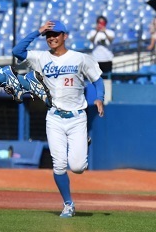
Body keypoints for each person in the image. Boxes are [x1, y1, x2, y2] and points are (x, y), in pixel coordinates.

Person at [12, 20, 105, 218]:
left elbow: (97, 80)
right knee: (59, 165)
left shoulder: (80, 58)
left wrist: (99, 98)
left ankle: (83, 144)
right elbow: (17, 51)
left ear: (65, 36)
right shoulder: (41, 57)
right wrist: (38, 31)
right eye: (48, 35)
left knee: (78, 167)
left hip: (77, 118)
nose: (51, 38)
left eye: (56, 34)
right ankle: (68, 203)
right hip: (54, 117)